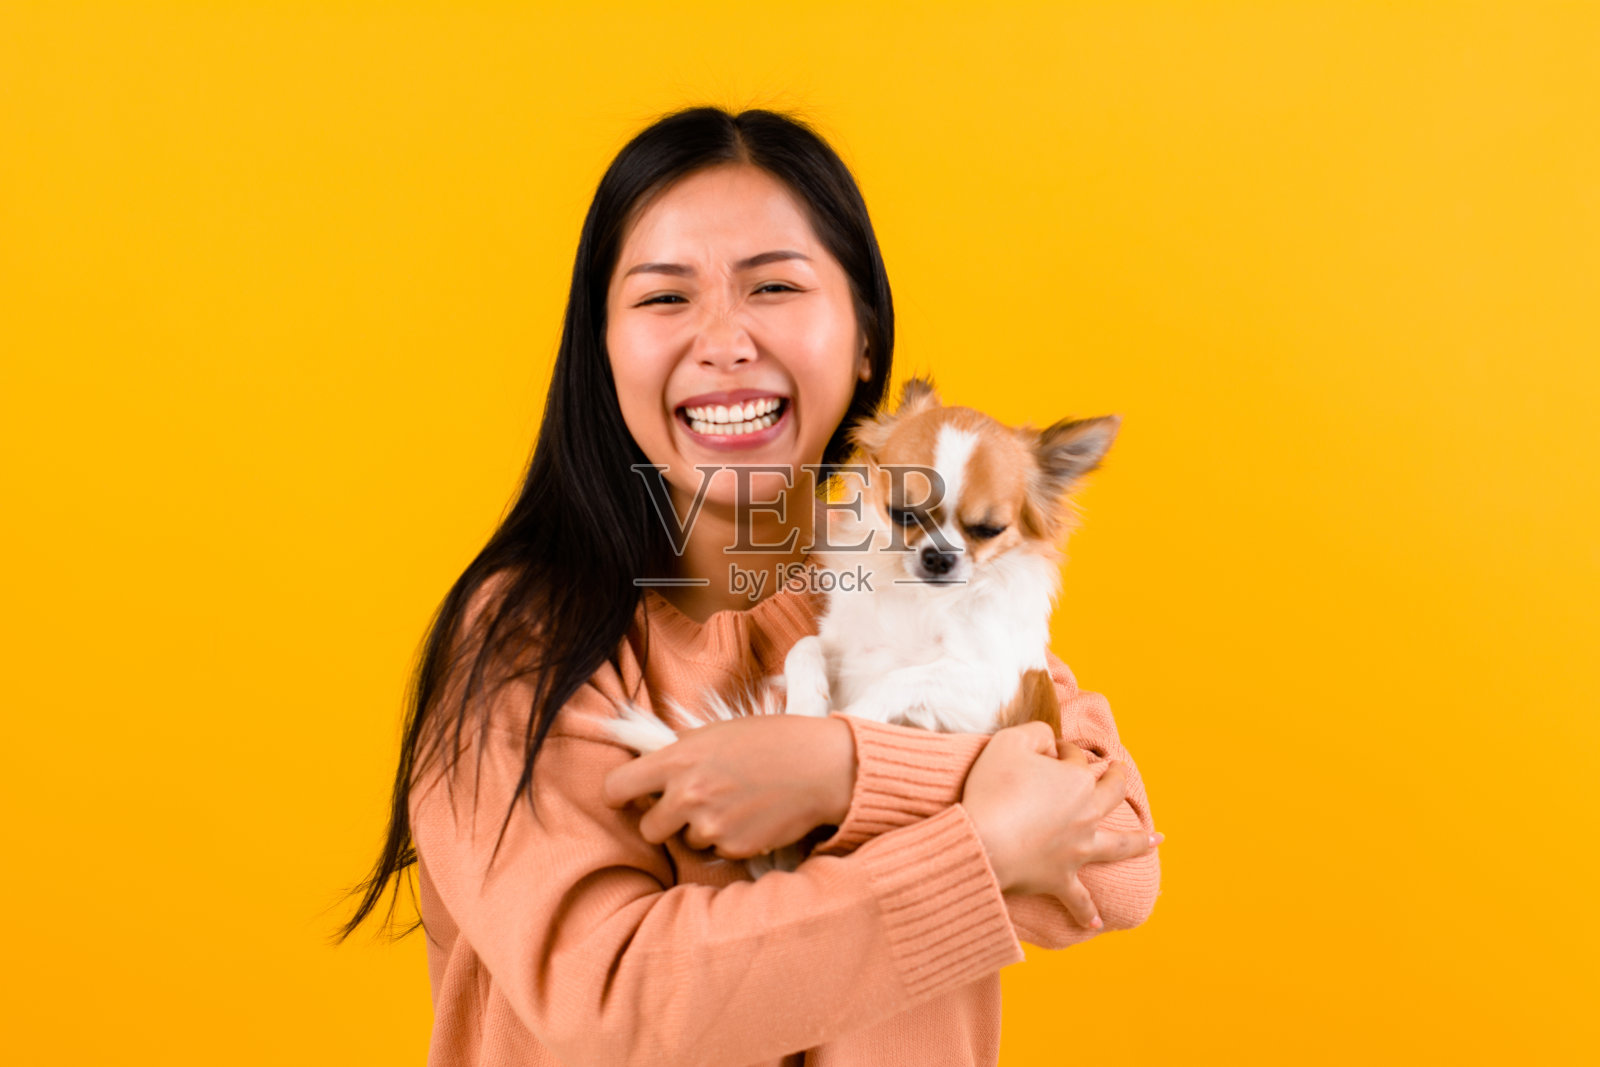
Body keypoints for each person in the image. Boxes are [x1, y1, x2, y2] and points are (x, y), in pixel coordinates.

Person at [338, 106, 1162, 1067]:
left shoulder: (921, 599)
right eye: (663, 298)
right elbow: (612, 1001)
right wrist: (984, 836)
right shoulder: (526, 643)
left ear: (864, 340)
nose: (724, 340)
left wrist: (841, 769)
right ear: (601, 351)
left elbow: (1117, 866)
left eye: (774, 285)